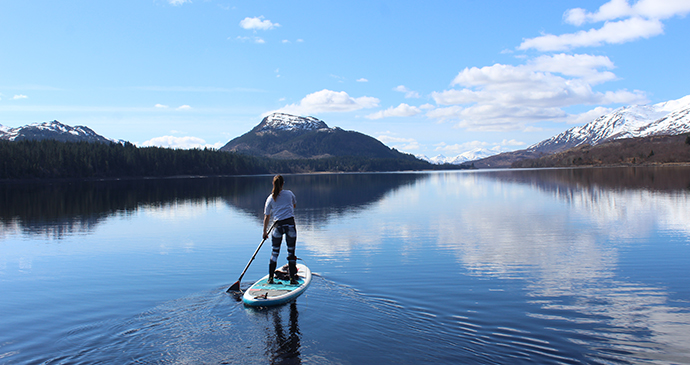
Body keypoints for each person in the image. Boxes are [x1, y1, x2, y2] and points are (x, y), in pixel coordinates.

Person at [263, 175, 298, 285]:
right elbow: (294, 205)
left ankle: (270, 278)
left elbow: (267, 216)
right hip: (290, 225)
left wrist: (264, 232)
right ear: (283, 184)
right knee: (291, 253)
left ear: (273, 184)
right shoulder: (289, 194)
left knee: (274, 253)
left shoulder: (270, 198)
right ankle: (292, 279)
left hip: (277, 226)